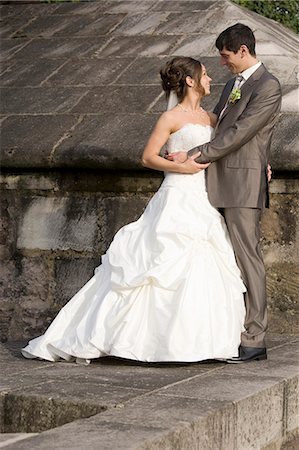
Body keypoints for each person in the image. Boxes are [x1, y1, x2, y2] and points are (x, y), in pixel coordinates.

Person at [22, 56, 246, 364]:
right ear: (190, 81)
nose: (210, 79)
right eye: (205, 74)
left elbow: (225, 149)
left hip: (204, 197)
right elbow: (147, 158)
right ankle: (136, 341)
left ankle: (198, 343)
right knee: (156, 265)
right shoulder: (170, 118)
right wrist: (179, 166)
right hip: (177, 194)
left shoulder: (210, 118)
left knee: (205, 262)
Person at [167, 24, 282, 363]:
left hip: (242, 184)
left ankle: (255, 338)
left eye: (226, 56)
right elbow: (219, 122)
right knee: (224, 261)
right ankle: (227, 331)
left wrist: (193, 154)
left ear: (243, 51)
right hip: (216, 180)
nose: (223, 63)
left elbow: (241, 132)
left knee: (249, 259)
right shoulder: (233, 84)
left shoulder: (269, 86)